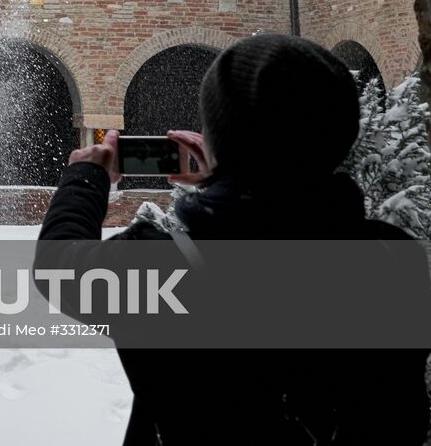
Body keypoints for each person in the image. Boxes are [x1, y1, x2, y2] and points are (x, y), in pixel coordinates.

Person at [37, 34, 430, 445]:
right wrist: (228, 177)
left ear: (220, 137)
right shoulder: (392, 260)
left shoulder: (162, 268)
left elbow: (57, 263)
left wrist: (87, 176)